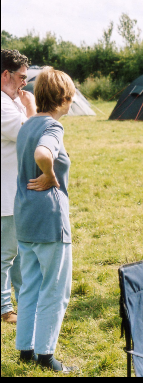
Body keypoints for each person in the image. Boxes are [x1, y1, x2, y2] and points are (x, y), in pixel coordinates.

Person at [13, 67, 77, 373]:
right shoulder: (53, 127)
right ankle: (46, 355)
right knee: (55, 289)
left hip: (24, 218)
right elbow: (43, 153)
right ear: (65, 98)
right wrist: (50, 176)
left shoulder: (26, 124)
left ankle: (25, 350)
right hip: (50, 221)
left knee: (30, 286)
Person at [1, 50, 36, 324]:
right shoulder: (2, 104)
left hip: (12, 191)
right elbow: (31, 133)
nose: (25, 83)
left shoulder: (10, 101)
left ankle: (24, 302)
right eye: (22, 77)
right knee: (6, 255)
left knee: (18, 253)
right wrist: (33, 108)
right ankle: (3, 308)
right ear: (5, 75)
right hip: (5, 192)